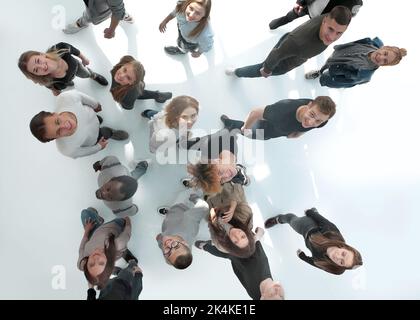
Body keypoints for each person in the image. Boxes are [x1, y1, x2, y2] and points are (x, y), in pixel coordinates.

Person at [226, 6, 352, 78]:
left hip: (294, 52)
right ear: (324, 20)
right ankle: (237, 72)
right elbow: (276, 55)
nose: (332, 37)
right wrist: (267, 70)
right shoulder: (298, 41)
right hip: (285, 61)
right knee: (261, 68)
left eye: (339, 33)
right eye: (330, 29)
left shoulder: (330, 17)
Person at [29, 90, 128, 159]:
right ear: (55, 138)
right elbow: (85, 152)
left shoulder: (65, 98)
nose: (65, 126)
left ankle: (98, 121)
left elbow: (81, 97)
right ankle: (111, 133)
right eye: (59, 132)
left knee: (98, 119)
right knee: (105, 132)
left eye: (57, 121)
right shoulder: (67, 149)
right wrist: (98, 147)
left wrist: (95, 104)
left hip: (91, 116)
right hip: (95, 137)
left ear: (54, 113)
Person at [264, 207, 363, 275]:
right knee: (293, 220)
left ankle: (314, 212)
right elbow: (323, 221)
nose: (337, 257)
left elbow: (316, 264)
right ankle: (279, 219)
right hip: (308, 226)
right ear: (344, 247)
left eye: (341, 262)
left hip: (308, 239)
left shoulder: (336, 269)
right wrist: (310, 213)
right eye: (343, 254)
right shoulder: (332, 232)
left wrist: (303, 257)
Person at [195, 239, 284, 300]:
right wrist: (257, 236)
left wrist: (234, 261)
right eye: (280, 295)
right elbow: (255, 242)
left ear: (263, 298)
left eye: (273, 294)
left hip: (235, 257)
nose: (277, 290)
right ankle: (211, 243)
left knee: (226, 252)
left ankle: (206, 246)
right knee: (228, 247)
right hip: (244, 246)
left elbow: (241, 276)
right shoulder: (261, 261)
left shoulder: (254, 295)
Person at [305, 37, 408, 88]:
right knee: (328, 62)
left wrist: (326, 79)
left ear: (384, 65)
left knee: (328, 68)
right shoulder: (370, 43)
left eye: (385, 61)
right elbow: (357, 43)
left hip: (336, 69)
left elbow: (344, 82)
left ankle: (320, 74)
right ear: (384, 47)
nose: (381, 57)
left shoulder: (363, 74)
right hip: (339, 54)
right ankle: (320, 70)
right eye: (385, 53)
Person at [221, 96, 335, 141]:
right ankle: (230, 124)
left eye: (318, 121)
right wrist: (245, 128)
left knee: (263, 136)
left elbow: (308, 126)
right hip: (265, 128)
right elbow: (255, 113)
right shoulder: (282, 110)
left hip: (276, 132)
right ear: (309, 105)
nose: (311, 122)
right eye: (312, 115)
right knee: (247, 133)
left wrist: (296, 134)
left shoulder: (320, 119)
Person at [18, 42, 108, 96]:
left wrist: (84, 58)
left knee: (86, 74)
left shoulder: (60, 49)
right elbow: (50, 87)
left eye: (38, 61)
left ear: (41, 54)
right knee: (66, 83)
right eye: (36, 70)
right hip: (64, 81)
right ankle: (69, 82)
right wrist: (55, 91)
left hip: (77, 67)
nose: (42, 67)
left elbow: (74, 50)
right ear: (37, 75)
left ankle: (93, 75)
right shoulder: (49, 81)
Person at [78, 207, 135, 289]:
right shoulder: (119, 243)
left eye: (91, 264)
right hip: (114, 226)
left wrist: (86, 231)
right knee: (121, 249)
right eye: (101, 263)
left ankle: (98, 221)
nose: (96, 258)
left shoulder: (81, 263)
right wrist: (127, 219)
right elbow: (127, 232)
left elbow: (81, 247)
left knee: (85, 213)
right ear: (108, 263)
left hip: (94, 233)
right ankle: (125, 254)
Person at [156, 191, 209, 269]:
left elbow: (168, 259)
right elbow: (204, 206)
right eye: (175, 246)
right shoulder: (188, 221)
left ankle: (169, 212)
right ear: (184, 243)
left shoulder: (178, 253)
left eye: (168, 252)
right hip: (183, 206)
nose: (168, 244)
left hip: (171, 219)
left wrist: (160, 241)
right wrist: (194, 197)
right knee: (187, 192)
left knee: (170, 217)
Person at [63, 0, 134, 39]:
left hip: (98, 10)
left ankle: (81, 23)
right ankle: (122, 14)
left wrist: (111, 30)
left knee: (88, 17)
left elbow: (118, 11)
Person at [269, 0, 363, 30]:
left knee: (304, 35)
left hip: (322, 20)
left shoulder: (356, 2)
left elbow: (351, 15)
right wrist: (300, 2)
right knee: (290, 15)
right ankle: (278, 22)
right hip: (307, 6)